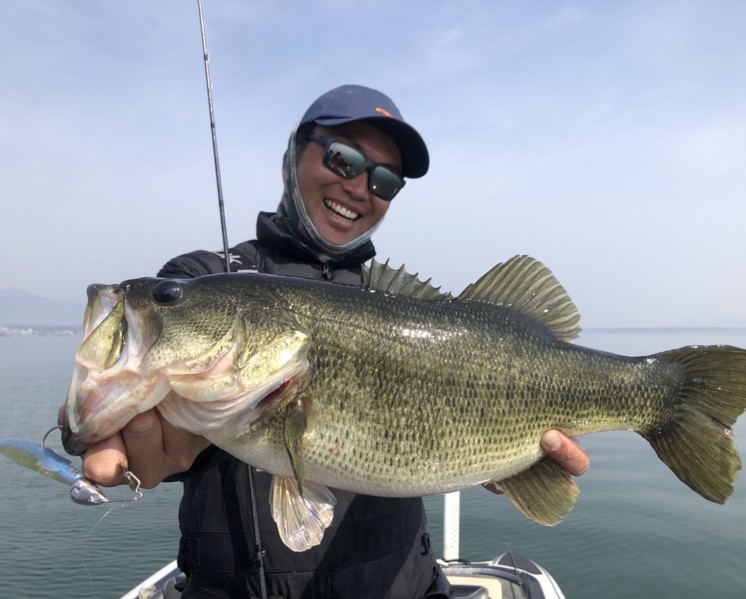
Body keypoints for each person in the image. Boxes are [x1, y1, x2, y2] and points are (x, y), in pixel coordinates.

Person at [77, 84, 590, 598]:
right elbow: (110, 410)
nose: (362, 188)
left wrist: (501, 457)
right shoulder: (205, 276)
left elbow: (455, 432)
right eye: (343, 160)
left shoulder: (395, 307)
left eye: (386, 181)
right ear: (291, 157)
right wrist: (107, 429)